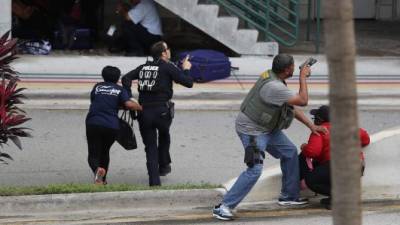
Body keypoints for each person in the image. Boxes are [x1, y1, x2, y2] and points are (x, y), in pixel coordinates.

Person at [212, 54, 328, 221]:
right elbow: (302, 100)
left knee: (289, 152)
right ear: (287, 70)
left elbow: (290, 107)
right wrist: (303, 77)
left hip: (267, 128)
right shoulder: (274, 87)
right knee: (255, 170)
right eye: (294, 67)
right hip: (252, 131)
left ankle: (289, 196)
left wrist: (311, 126)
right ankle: (224, 207)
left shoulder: (273, 76)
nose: (296, 69)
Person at [122, 41, 193, 186]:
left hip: (144, 112)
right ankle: (164, 164)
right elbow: (188, 82)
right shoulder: (168, 67)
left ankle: (155, 181)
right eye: (168, 48)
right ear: (163, 53)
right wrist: (186, 69)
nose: (169, 51)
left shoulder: (143, 67)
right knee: (165, 135)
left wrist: (129, 97)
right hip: (162, 112)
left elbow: (125, 78)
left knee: (150, 147)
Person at [299, 105, 370, 209]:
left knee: (311, 179)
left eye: (315, 119)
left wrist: (304, 147)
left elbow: (313, 152)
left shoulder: (320, 131)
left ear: (319, 120)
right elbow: (366, 139)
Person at [86, 66, 142, 185]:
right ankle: (103, 180)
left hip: (93, 122)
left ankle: (97, 170)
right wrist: (142, 108)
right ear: (118, 78)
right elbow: (128, 104)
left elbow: (95, 101)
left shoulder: (97, 87)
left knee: (93, 153)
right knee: (105, 151)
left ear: (103, 76)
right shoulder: (120, 89)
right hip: (111, 126)